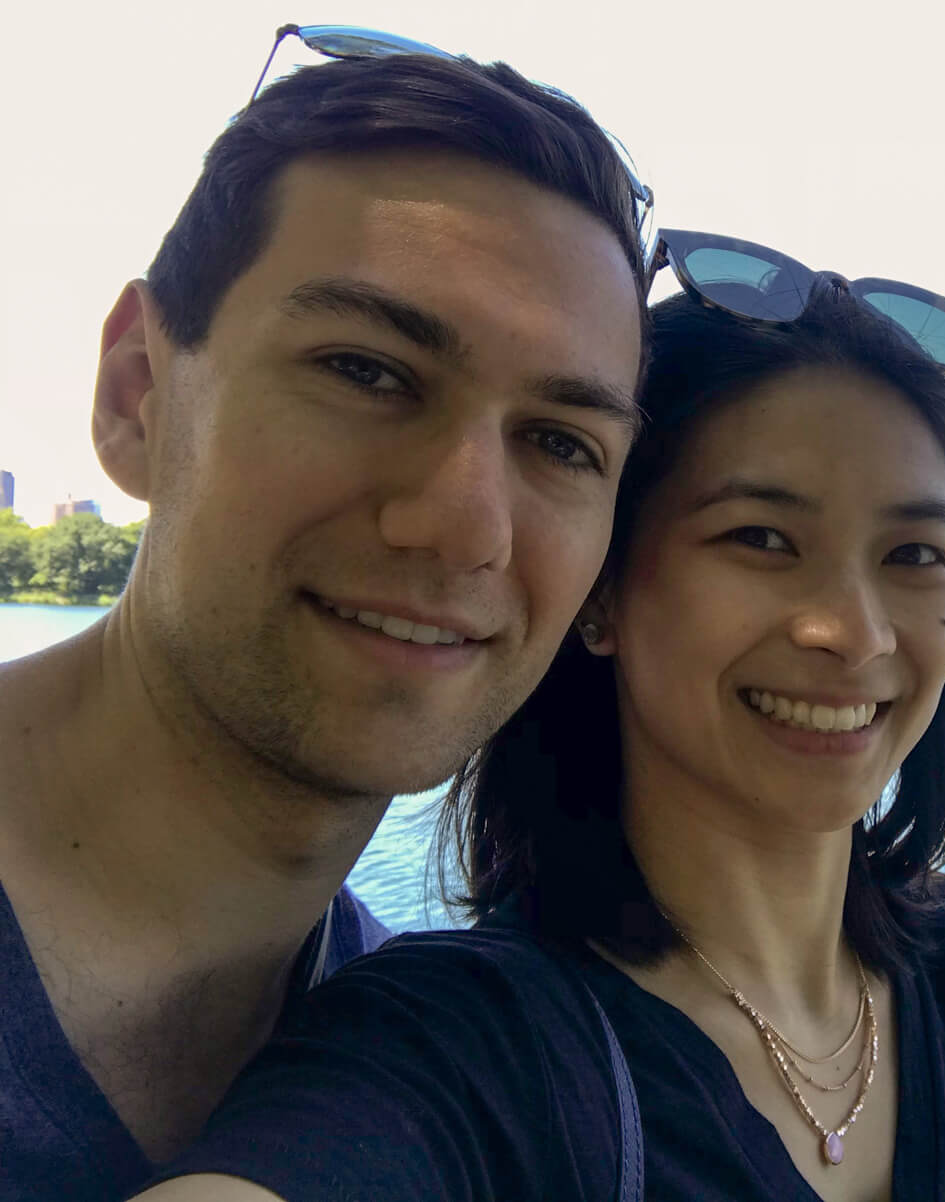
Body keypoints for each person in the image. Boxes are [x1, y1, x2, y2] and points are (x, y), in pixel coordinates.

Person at [133, 242, 945, 1200]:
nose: (853, 630)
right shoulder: (468, 1050)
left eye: (915, 554)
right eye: (761, 538)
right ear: (600, 592)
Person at [0, 27, 651, 1202]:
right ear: (136, 395)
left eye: (561, 442)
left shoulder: (414, 1051)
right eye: (365, 370)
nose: (463, 526)